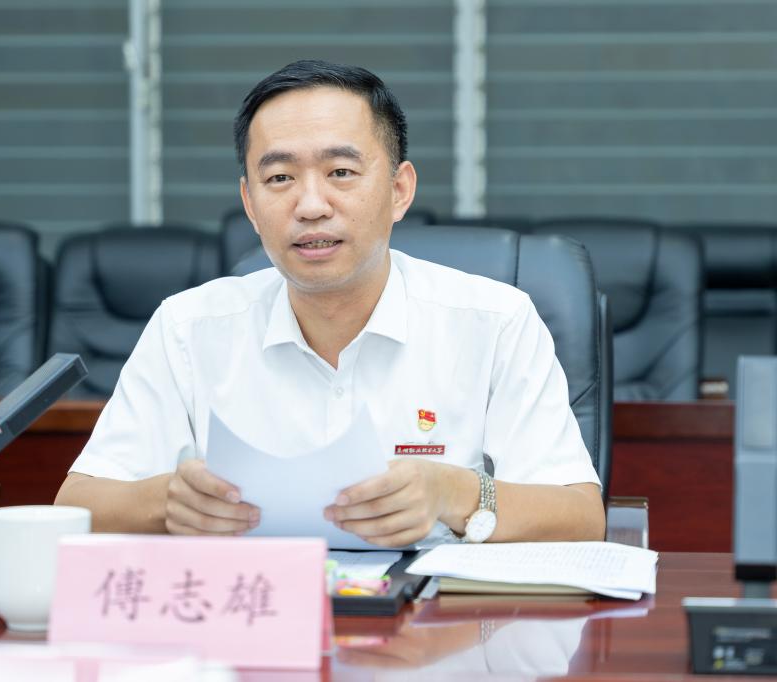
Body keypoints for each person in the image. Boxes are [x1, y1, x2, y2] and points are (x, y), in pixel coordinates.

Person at [56, 60, 605, 546]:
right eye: (280, 177)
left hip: (433, 621)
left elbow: (580, 515)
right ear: (250, 203)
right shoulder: (188, 327)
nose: (311, 205)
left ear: (399, 190)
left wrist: (452, 493)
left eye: (341, 172)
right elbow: (77, 504)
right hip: (252, 615)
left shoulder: (496, 321)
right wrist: (167, 501)